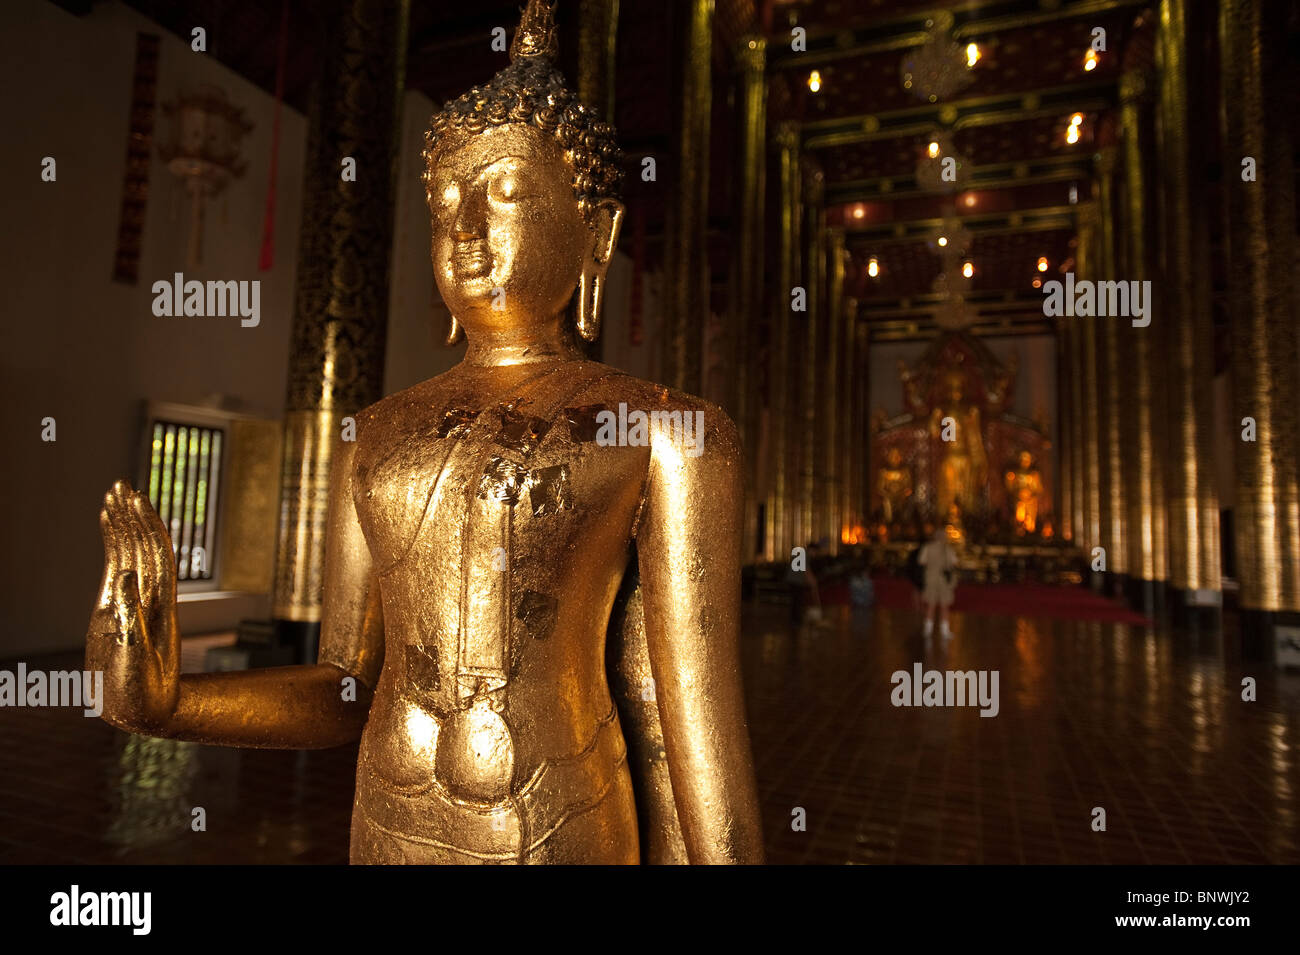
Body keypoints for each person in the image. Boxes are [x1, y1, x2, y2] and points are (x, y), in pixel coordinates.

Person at [919, 525, 959, 638]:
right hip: (944, 581)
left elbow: (922, 561)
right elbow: (955, 562)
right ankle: (945, 631)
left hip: (931, 578)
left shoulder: (928, 547)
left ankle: (928, 630)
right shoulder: (948, 549)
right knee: (944, 606)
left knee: (931, 605)